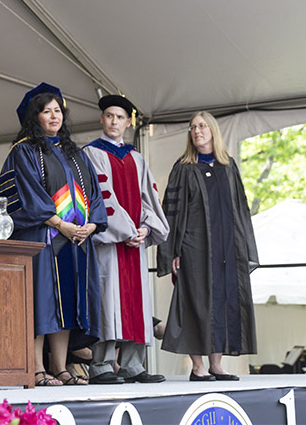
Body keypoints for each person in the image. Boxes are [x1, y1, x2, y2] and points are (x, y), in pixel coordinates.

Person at [0, 82, 107, 386]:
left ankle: (60, 367)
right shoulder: (25, 151)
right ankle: (35, 368)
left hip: (77, 240)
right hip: (43, 239)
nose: (54, 116)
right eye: (47, 111)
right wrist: (59, 224)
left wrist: (92, 224)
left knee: (67, 304)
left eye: (58, 110)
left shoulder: (74, 152)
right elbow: (26, 194)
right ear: (35, 116)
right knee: (41, 303)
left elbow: (94, 195)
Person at [156, 111, 259, 382]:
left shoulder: (228, 165)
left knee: (224, 302)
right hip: (195, 247)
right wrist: (174, 251)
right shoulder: (184, 167)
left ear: (213, 129)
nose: (197, 131)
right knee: (196, 303)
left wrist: (242, 249)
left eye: (202, 126)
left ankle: (217, 365)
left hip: (227, 248)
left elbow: (241, 210)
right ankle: (198, 367)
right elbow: (172, 212)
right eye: (192, 127)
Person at [82, 95, 169, 384]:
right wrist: (126, 230)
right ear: (102, 119)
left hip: (134, 244)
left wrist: (145, 228)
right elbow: (100, 198)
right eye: (109, 116)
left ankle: (133, 365)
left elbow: (149, 199)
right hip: (109, 243)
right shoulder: (91, 154)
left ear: (129, 122)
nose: (114, 121)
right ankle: (102, 366)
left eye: (119, 117)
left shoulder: (137, 158)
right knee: (108, 302)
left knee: (136, 304)